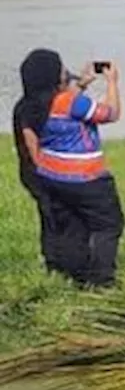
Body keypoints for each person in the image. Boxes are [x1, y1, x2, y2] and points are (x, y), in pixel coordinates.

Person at [14, 51, 125, 288]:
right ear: (55, 77)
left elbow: (61, 109)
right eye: (62, 69)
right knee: (108, 225)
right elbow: (110, 113)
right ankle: (102, 280)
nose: (66, 71)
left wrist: (80, 86)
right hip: (88, 177)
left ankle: (70, 272)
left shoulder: (30, 107)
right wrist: (112, 82)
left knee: (71, 225)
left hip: (52, 177)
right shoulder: (71, 102)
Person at [11, 49, 87, 276]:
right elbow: (67, 109)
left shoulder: (24, 105)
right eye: (61, 71)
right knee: (64, 218)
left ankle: (54, 261)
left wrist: (78, 85)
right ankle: (66, 265)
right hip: (47, 173)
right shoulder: (44, 108)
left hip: (31, 174)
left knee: (50, 215)